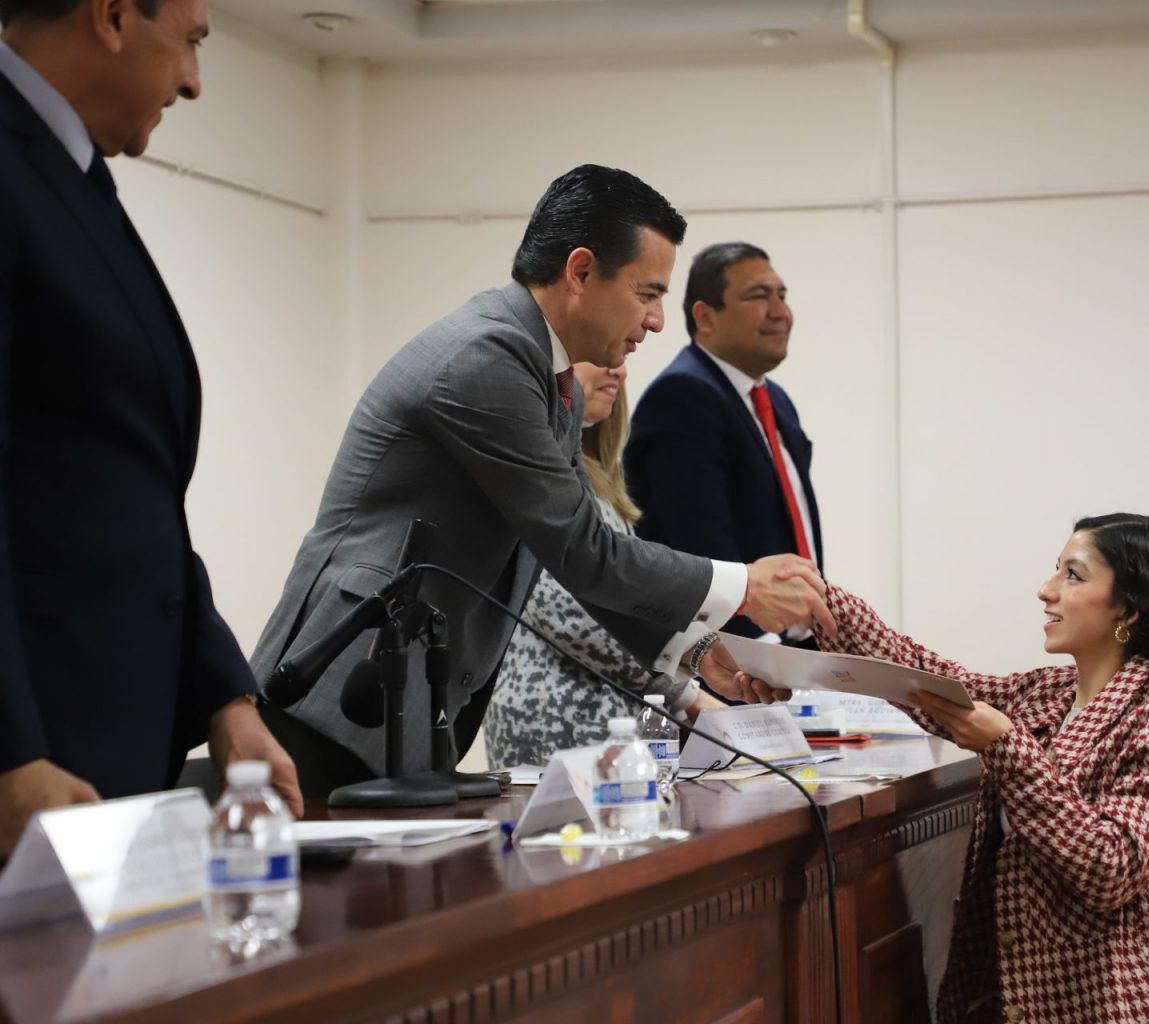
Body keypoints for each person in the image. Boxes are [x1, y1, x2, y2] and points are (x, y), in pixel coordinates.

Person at [250, 166, 830, 795]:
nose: (658, 320)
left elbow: (574, 565)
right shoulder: (486, 357)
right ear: (580, 271)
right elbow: (585, 550)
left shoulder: (550, 380)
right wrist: (743, 585)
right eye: (647, 293)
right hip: (340, 692)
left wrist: (694, 650)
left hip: (413, 702)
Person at [0, 0, 299, 855]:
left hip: (98, 751)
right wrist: (8, 753)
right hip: (34, 768)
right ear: (111, 15)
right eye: (192, 42)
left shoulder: (71, 175)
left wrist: (224, 698)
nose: (195, 83)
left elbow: (122, 488)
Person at [813, 514, 1149, 1024]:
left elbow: (1108, 867)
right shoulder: (1046, 694)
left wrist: (1007, 748)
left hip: (1120, 1009)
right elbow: (929, 682)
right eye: (1056, 569)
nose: (1046, 590)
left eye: (1073, 575)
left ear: (1129, 608)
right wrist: (821, 603)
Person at [483, 361, 724, 767]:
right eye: (602, 358)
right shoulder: (539, 473)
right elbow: (569, 613)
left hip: (615, 724)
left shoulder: (599, 479)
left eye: (623, 361)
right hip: (553, 721)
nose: (620, 372)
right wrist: (686, 695)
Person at [626, 242, 822, 646]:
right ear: (705, 316)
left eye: (782, 296)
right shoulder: (682, 395)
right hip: (729, 656)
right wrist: (758, 653)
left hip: (790, 648)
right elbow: (700, 548)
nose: (780, 312)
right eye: (759, 296)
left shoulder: (774, 399)